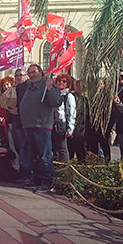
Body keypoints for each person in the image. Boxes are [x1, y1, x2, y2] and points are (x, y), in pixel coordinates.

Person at [20, 64, 63, 193]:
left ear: (41, 72)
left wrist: (51, 89)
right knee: (34, 156)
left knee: (44, 156)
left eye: (34, 72)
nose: (31, 75)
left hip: (42, 126)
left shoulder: (47, 85)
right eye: (29, 73)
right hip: (30, 126)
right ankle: (37, 179)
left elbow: (56, 102)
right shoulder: (30, 87)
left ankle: (48, 182)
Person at [52, 73, 77, 164]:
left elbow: (71, 113)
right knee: (55, 148)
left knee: (62, 148)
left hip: (62, 123)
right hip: (53, 123)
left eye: (64, 81)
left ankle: (65, 168)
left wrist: (70, 128)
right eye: (59, 81)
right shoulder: (55, 94)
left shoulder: (69, 96)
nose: (61, 83)